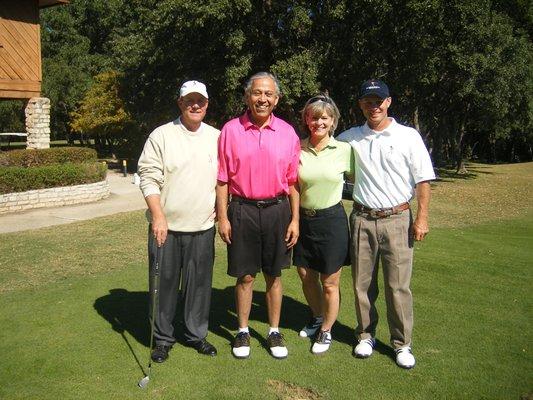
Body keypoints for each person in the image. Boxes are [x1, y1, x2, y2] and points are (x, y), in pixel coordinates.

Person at [337, 79, 435, 369]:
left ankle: (402, 343)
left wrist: (423, 217)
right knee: (362, 285)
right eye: (368, 101)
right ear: (360, 105)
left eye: (379, 100)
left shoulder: (408, 136)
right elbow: (321, 143)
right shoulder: (351, 137)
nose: (374, 105)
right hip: (362, 218)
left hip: (397, 219)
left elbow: (423, 179)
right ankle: (365, 335)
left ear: (389, 102)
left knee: (398, 286)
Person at [216, 72, 300, 359]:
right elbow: (223, 179)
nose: (262, 99)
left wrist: (295, 219)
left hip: (278, 210)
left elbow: (292, 183)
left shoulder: (288, 132)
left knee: (273, 275)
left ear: (276, 100)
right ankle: (242, 331)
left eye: (268, 94)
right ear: (247, 97)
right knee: (246, 276)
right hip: (242, 210)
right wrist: (223, 217)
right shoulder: (230, 130)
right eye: (256, 93)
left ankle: (274, 330)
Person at [137, 80, 220, 363]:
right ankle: (163, 339)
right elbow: (148, 176)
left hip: (203, 226)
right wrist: (158, 215)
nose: (195, 105)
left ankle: (196, 335)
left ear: (207, 104)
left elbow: (225, 180)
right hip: (166, 228)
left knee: (199, 286)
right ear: (180, 103)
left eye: (201, 101)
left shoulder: (217, 137)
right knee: (165, 285)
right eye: (189, 100)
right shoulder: (161, 135)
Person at [293, 94, 353, 354]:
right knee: (306, 276)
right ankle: (317, 316)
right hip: (304, 221)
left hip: (331, 221)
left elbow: (359, 181)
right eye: (313, 117)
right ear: (307, 120)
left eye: (324, 118)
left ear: (333, 121)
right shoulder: (297, 148)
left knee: (330, 281)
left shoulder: (344, 150)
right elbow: (293, 185)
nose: (318, 122)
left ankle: (327, 330)